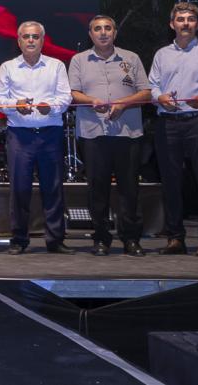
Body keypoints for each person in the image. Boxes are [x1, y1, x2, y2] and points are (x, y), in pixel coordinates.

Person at [147, 2, 198, 257]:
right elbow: (153, 86)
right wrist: (160, 98)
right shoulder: (162, 54)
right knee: (171, 182)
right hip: (168, 123)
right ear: (172, 24)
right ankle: (175, 238)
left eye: (190, 19)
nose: (185, 23)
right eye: (180, 19)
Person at [68, 15, 152, 257]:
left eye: (107, 28)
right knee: (97, 189)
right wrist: (91, 100)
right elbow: (73, 93)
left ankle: (131, 239)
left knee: (129, 189)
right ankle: (101, 238)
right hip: (93, 134)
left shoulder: (131, 58)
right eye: (97, 29)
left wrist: (123, 104)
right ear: (90, 34)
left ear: (115, 33)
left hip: (128, 133)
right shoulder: (78, 60)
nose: (103, 32)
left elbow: (146, 92)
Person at [0, 21, 73, 255]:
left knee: (54, 187)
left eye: (35, 37)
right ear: (18, 41)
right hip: (19, 134)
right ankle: (19, 239)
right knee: (19, 189)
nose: (30, 40)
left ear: (42, 40)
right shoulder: (8, 67)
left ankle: (56, 240)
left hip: (50, 133)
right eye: (26, 37)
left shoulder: (56, 66)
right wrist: (14, 106)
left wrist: (52, 108)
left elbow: (65, 97)